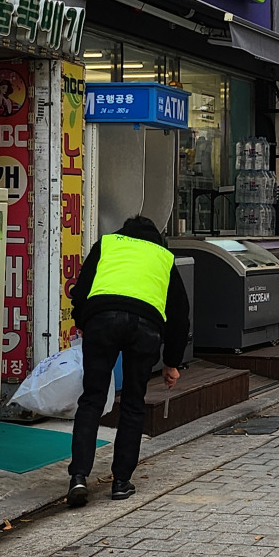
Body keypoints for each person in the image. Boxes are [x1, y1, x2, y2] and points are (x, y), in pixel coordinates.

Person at [66, 215, 190, 507]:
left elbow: (81, 290)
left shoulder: (107, 244)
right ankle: (121, 482)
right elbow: (179, 316)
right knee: (134, 404)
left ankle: (79, 477)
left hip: (102, 319)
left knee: (92, 400)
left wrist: (83, 321)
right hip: (146, 327)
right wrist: (172, 363)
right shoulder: (163, 256)